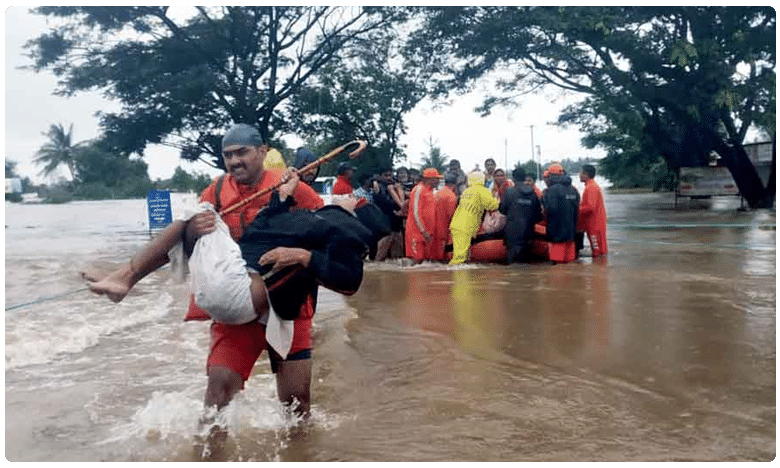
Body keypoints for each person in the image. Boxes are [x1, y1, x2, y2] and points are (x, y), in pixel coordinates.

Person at [448, 171, 499, 265]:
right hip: (465, 226)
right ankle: (454, 276)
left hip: (458, 224)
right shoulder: (482, 190)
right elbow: (492, 205)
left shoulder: (467, 191)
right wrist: (498, 201)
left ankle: (462, 277)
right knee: (459, 258)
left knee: (464, 255)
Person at [499, 167, 542, 263]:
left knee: (512, 262)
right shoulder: (533, 194)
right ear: (524, 178)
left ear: (513, 179)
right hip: (528, 232)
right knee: (526, 261)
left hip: (512, 232)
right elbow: (538, 215)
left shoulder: (509, 192)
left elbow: (502, 210)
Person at [541, 163, 580, 264]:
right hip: (571, 234)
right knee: (570, 265)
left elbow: (550, 209)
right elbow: (576, 208)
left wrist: (543, 199)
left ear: (552, 176)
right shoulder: (573, 189)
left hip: (557, 234)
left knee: (557, 267)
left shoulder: (552, 190)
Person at [404, 168, 442, 263]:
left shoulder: (430, 192)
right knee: (415, 261)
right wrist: (423, 231)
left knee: (423, 263)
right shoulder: (418, 190)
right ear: (431, 179)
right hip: (416, 233)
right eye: (437, 179)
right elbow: (416, 212)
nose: (439, 181)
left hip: (427, 234)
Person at [577, 164, 608, 258]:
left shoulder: (591, 188)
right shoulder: (592, 186)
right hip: (595, 223)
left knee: (597, 252)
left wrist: (576, 210)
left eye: (580, 173)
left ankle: (599, 270)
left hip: (594, 224)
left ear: (585, 174)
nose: (579, 175)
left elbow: (590, 207)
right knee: (600, 250)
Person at [432, 171, 459, 261]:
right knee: (442, 261)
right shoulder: (451, 196)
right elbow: (452, 216)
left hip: (433, 230)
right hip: (444, 232)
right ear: (454, 184)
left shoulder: (438, 193)